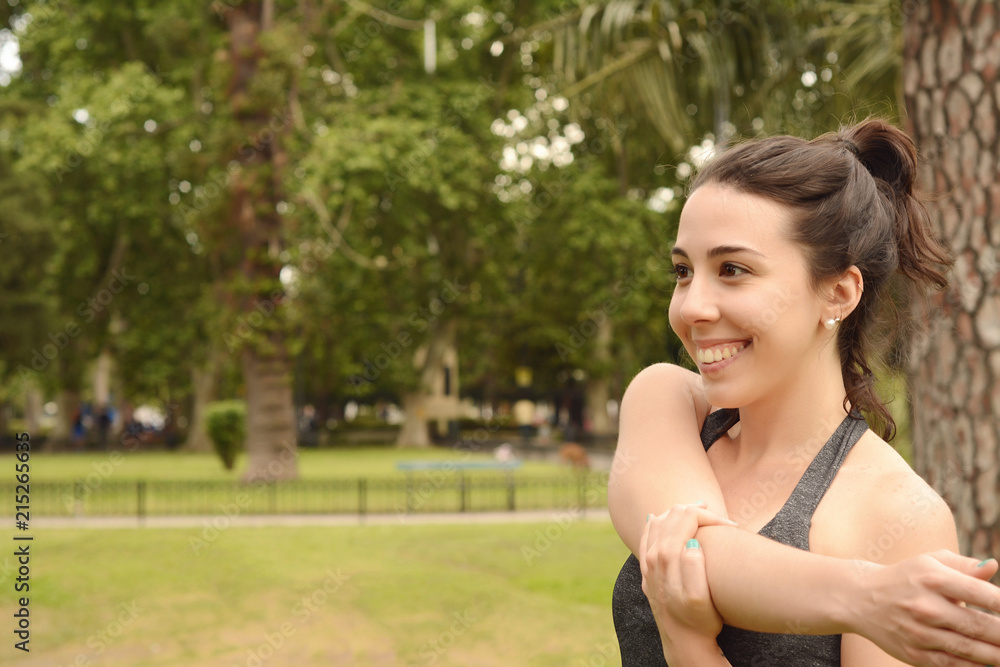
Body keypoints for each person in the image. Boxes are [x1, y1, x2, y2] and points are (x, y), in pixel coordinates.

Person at [609, 119, 1000, 666]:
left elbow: (688, 579)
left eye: (733, 269)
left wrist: (688, 643)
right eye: (683, 271)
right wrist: (868, 597)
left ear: (838, 292)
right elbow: (701, 559)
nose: (693, 306)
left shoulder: (899, 516)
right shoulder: (667, 402)